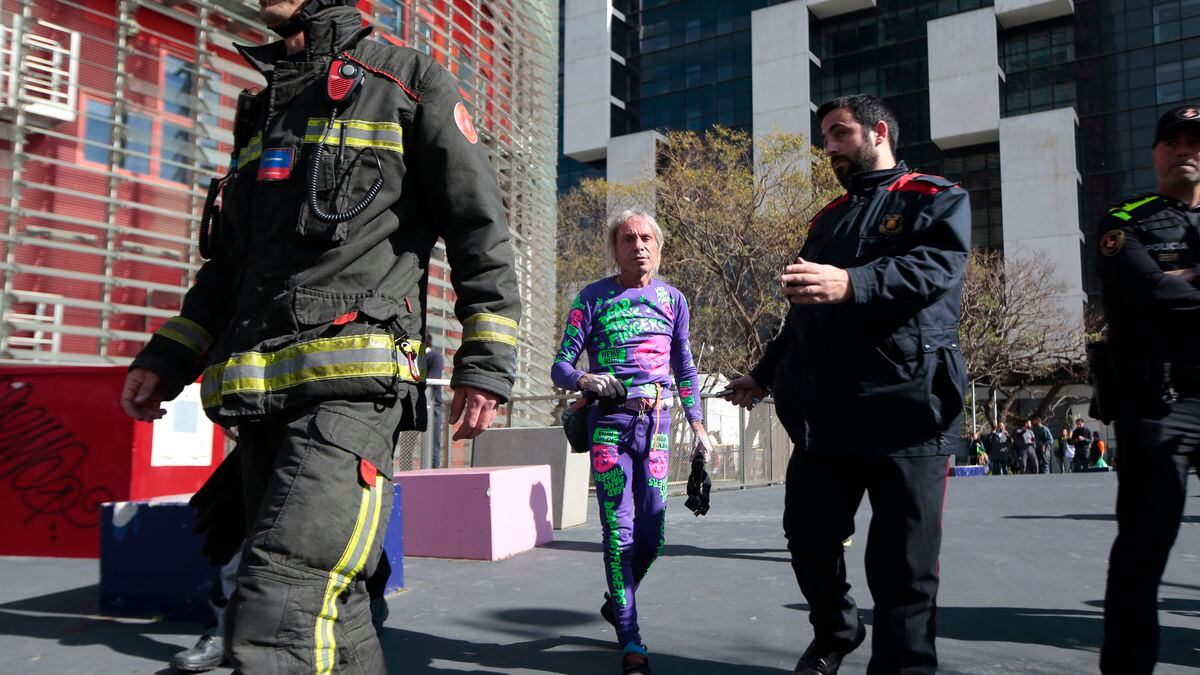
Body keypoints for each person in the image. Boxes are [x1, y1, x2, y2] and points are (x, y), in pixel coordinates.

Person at [118, 0, 522, 669]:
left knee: (279, 609)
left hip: (350, 404)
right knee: (339, 615)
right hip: (261, 408)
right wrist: (168, 356)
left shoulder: (407, 82)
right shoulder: (265, 111)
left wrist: (487, 360)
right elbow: (229, 268)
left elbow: (481, 229)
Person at [723, 94, 970, 675]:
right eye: (825, 138)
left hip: (909, 414)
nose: (829, 148)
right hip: (826, 418)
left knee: (903, 572)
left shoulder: (935, 198)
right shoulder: (826, 220)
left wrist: (852, 282)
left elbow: (936, 268)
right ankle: (836, 628)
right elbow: (802, 313)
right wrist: (762, 375)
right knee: (807, 539)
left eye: (840, 134)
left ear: (878, 132)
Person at [551, 209, 712, 675]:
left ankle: (617, 599)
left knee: (654, 534)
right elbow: (560, 366)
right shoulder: (591, 298)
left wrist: (699, 426)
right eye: (627, 238)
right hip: (608, 428)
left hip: (657, 427)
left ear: (658, 247)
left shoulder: (674, 300)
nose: (638, 245)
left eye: (646, 238)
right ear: (614, 248)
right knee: (618, 534)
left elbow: (684, 368)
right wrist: (587, 379)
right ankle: (631, 639)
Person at [1096, 103, 1200, 675]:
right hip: (1159, 402)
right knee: (1143, 550)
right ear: (1156, 150)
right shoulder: (1126, 218)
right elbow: (1148, 294)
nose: (1186, 149)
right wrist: (1168, 286)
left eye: (1195, 141)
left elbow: (1168, 291)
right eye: (1174, 140)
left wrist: (1178, 280)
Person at [424, 334, 446, 468]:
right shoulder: (412, 358)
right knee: (407, 447)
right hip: (414, 406)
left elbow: (434, 379)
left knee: (433, 445)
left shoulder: (434, 357)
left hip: (433, 407)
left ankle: (433, 474)